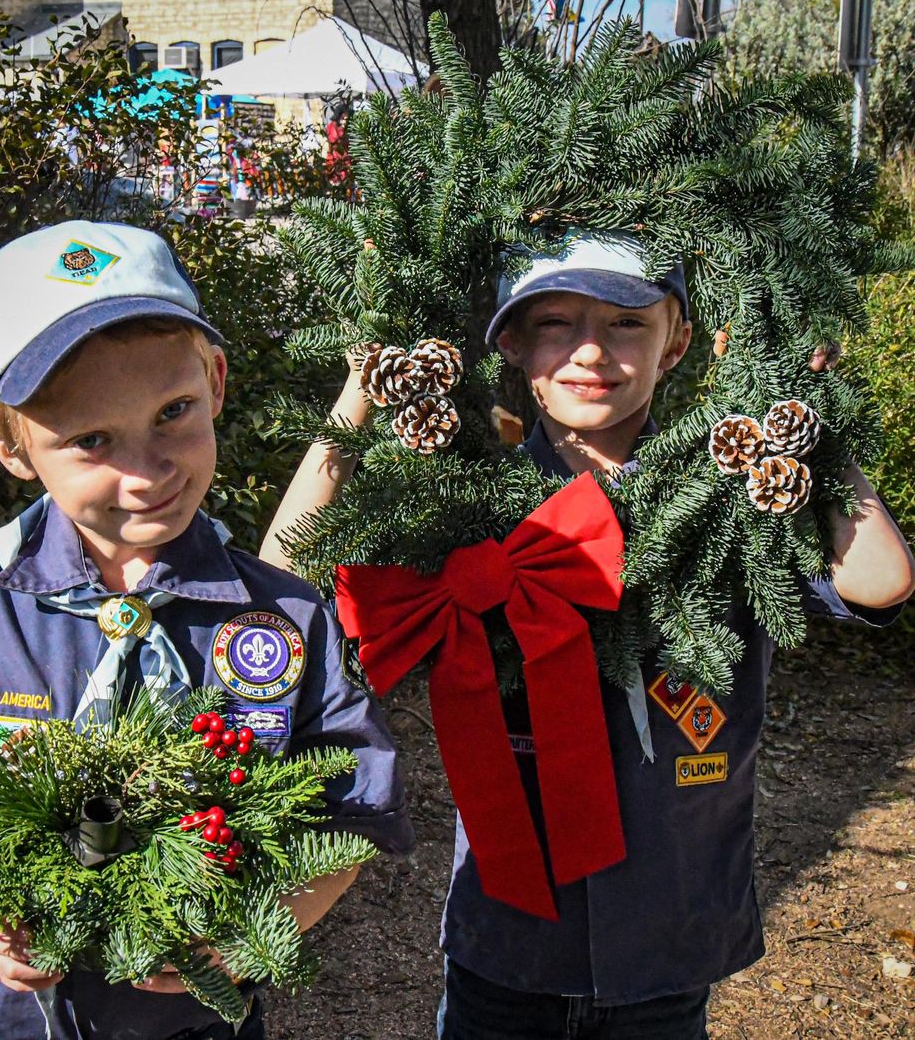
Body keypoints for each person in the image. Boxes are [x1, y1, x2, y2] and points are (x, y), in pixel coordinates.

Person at [258, 231, 915, 1039]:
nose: (591, 352)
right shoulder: (461, 507)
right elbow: (286, 575)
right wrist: (361, 390)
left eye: (627, 324)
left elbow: (881, 580)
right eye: (557, 323)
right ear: (511, 341)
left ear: (677, 342)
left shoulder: (728, 496)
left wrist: (802, 423)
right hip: (507, 945)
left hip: (667, 940)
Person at [0, 220, 414, 1040]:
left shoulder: (281, 618)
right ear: (9, 447)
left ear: (217, 381)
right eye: (91, 441)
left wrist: (252, 932)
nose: (147, 472)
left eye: (173, 413)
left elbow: (349, 819)